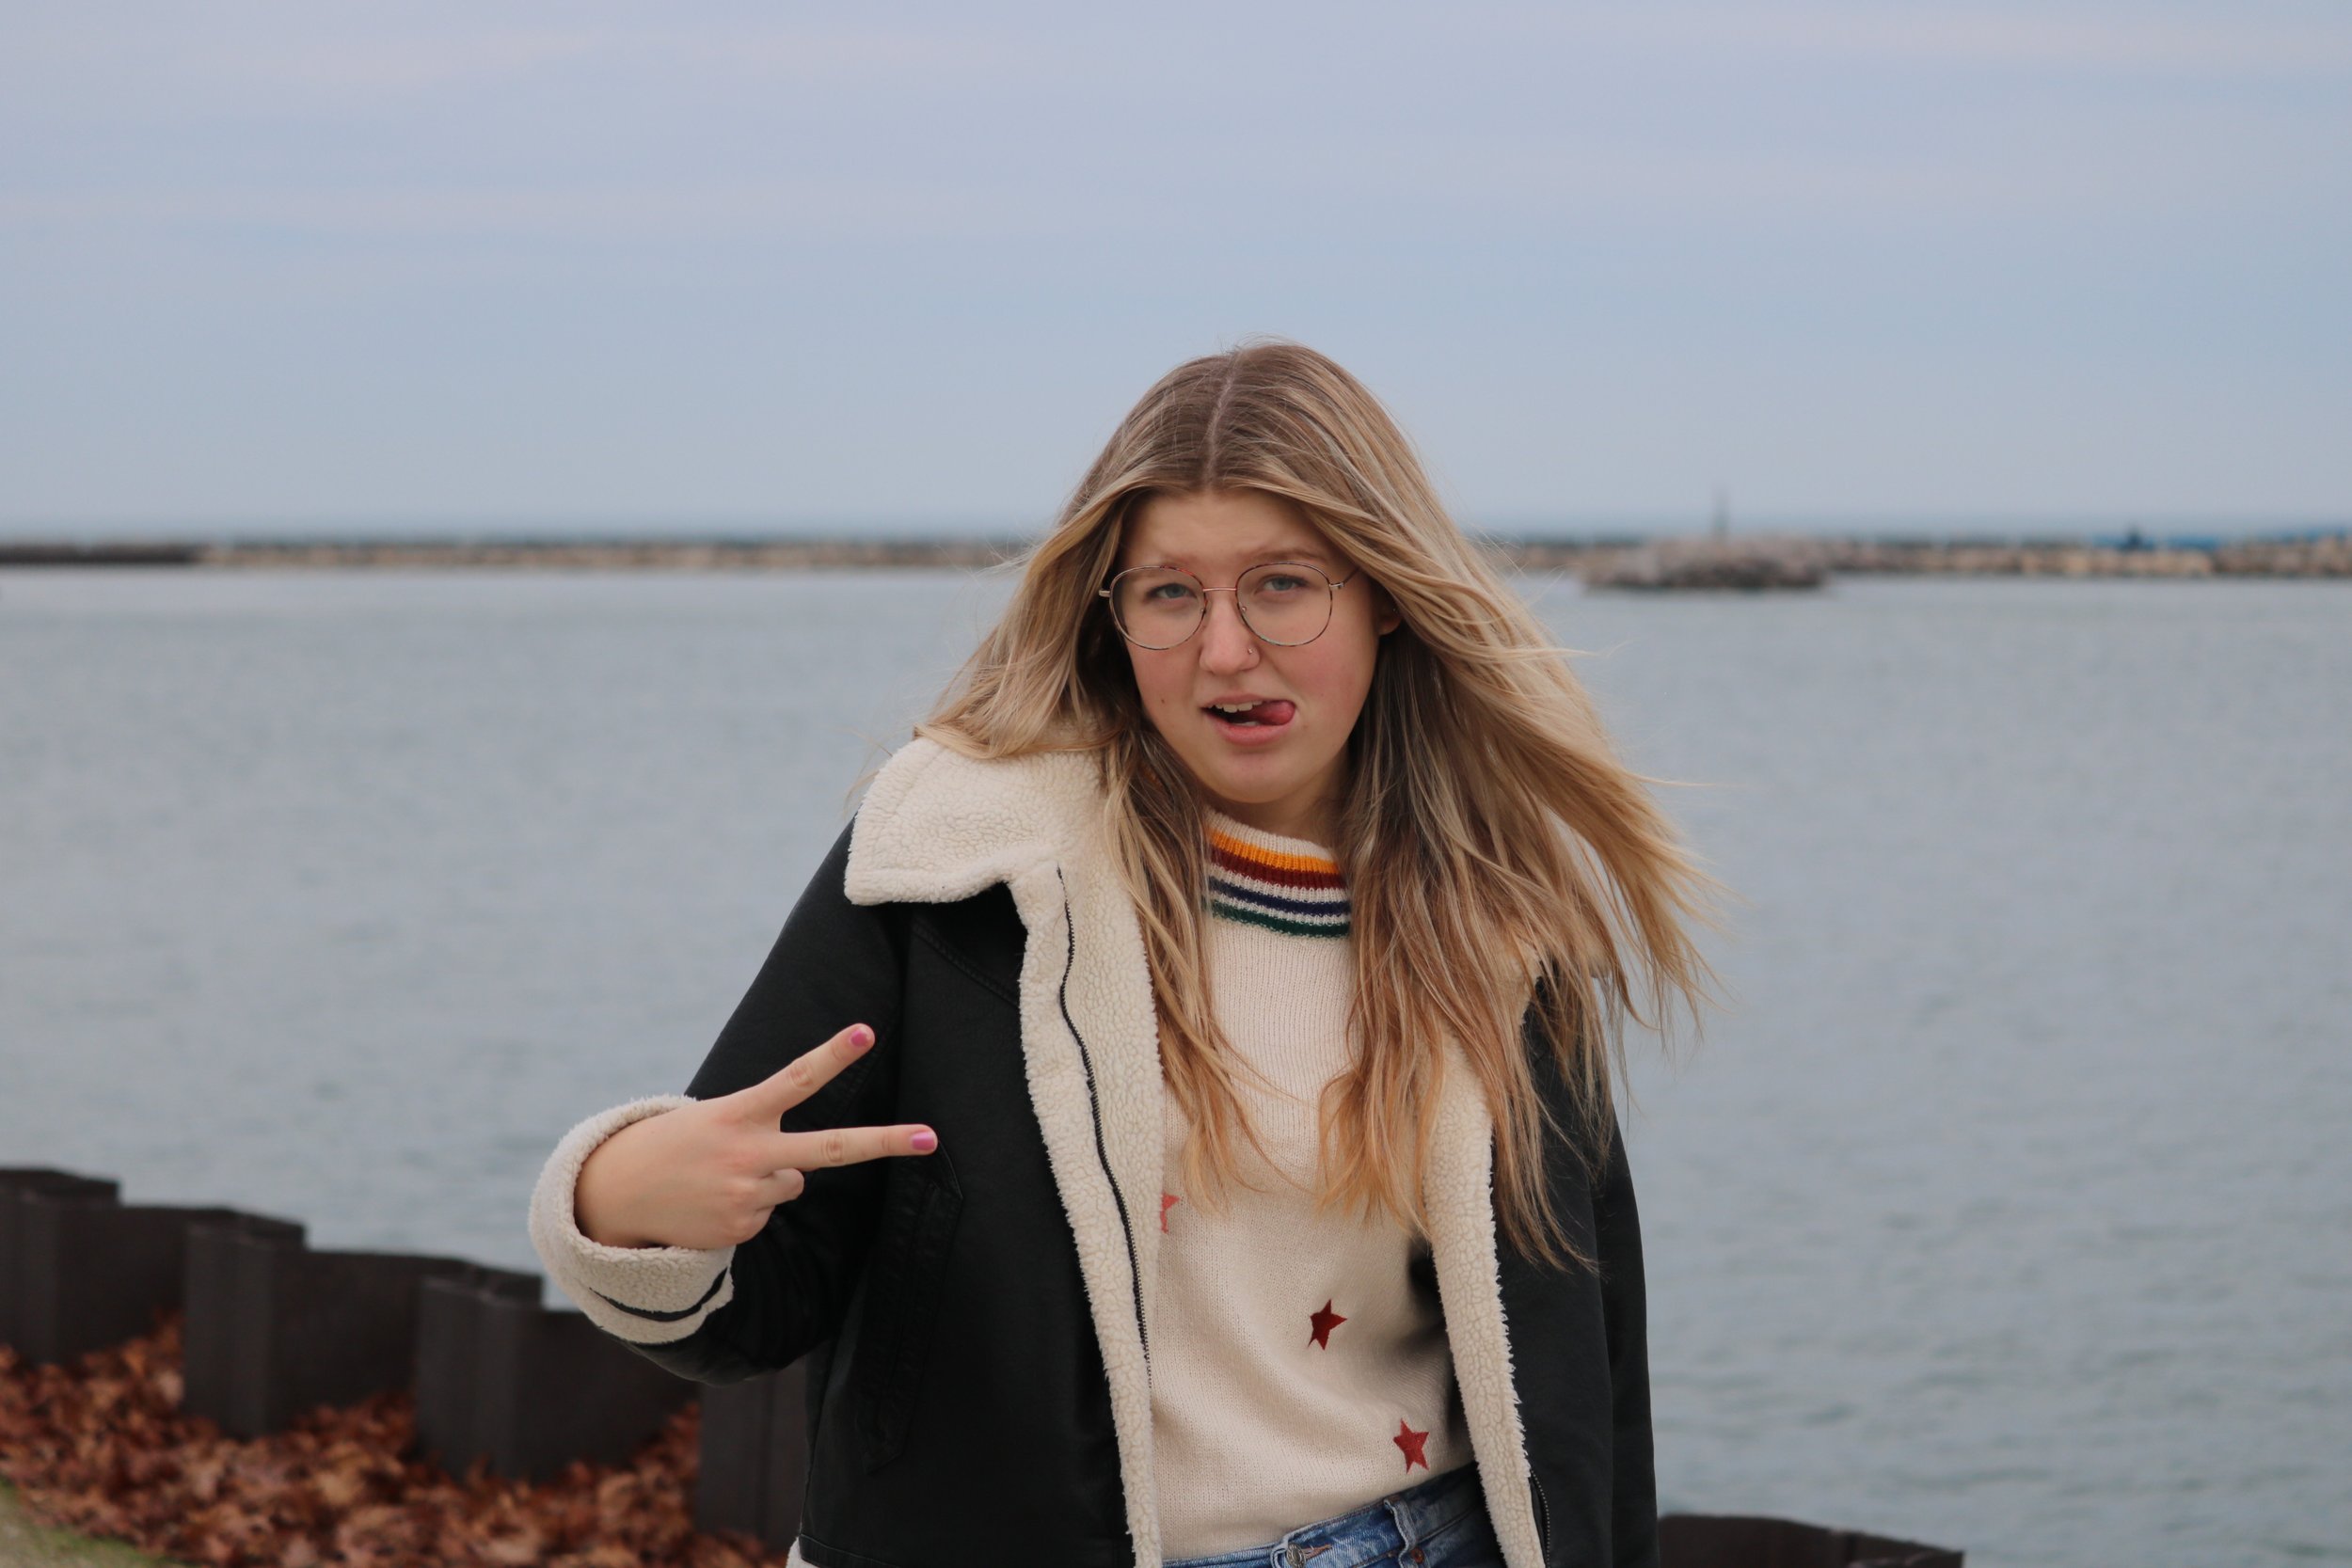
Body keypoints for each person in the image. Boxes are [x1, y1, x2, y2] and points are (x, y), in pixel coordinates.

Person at [528, 340, 1725, 1568]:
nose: (1224, 650)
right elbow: (759, 1293)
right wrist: (619, 1198)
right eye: (1170, 594)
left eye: (1283, 584)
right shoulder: (960, 863)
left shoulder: (1500, 919)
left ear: (1383, 593)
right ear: (1110, 614)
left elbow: (1592, 1384)